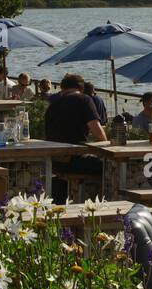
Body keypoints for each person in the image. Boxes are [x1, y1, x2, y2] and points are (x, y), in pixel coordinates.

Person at [44, 73, 107, 203]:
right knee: (109, 165)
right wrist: (108, 147)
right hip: (74, 161)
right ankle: (106, 203)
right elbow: (98, 133)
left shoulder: (53, 105)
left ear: (62, 88)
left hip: (54, 162)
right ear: (81, 89)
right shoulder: (84, 100)